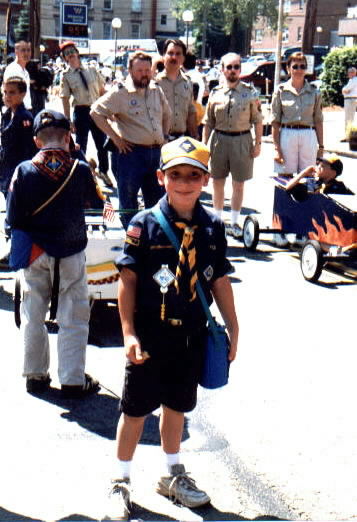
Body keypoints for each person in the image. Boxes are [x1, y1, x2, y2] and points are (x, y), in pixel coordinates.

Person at [107, 137, 238, 520]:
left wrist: (233, 327)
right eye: (176, 174)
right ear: (161, 177)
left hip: (191, 334)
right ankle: (120, 480)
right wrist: (129, 333)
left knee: (177, 407)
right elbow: (127, 280)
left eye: (193, 175)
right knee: (134, 412)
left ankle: (173, 474)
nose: (185, 182)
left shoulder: (212, 226)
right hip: (150, 335)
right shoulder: (143, 224)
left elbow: (220, 280)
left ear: (205, 179)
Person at [6, 109, 102, 398]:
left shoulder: (23, 170)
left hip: (36, 252)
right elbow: (98, 206)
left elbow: (13, 217)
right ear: (68, 137)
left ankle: (35, 375)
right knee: (74, 316)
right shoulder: (80, 169)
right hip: (71, 251)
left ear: (37, 141)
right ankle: (73, 379)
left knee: (33, 314)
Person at [90, 51, 171, 229]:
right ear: (130, 71)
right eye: (139, 70)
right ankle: (131, 238)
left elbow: (167, 114)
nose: (144, 74)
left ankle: (153, 237)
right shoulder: (121, 93)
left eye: (147, 70)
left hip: (155, 153)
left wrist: (164, 136)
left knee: (157, 199)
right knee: (128, 200)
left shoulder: (156, 89)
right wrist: (116, 139)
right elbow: (96, 112)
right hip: (131, 154)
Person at [202, 52, 263, 238]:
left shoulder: (249, 93)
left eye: (236, 67)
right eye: (229, 67)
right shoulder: (215, 93)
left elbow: (258, 120)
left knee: (238, 185)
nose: (233, 70)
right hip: (219, 140)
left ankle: (235, 223)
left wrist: (258, 143)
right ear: (222, 69)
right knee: (217, 183)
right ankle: (218, 222)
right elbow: (208, 122)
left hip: (242, 140)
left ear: (240, 69)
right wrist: (204, 147)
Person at [59, 41, 112, 187]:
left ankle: (103, 172)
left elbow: (102, 91)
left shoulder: (92, 69)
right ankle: (80, 174)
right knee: (81, 145)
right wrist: (68, 120)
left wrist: (106, 111)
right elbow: (64, 98)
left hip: (96, 110)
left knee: (102, 143)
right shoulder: (66, 76)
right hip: (81, 111)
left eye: (72, 51)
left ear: (77, 52)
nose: (70, 54)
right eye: (67, 53)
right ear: (64, 58)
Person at [271, 52, 324, 176]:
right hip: (287, 134)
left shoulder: (314, 92)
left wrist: (321, 146)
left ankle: (307, 196)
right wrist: (277, 149)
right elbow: (275, 122)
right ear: (288, 69)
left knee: (309, 176)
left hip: (308, 135)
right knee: (285, 175)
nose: (299, 70)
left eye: (302, 66)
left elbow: (318, 120)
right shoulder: (280, 91)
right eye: (295, 66)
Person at [0, 76, 36, 198]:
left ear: (23, 94)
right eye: (5, 92)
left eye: (12, 92)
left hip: (19, 170)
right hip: (6, 168)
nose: (7, 96)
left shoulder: (25, 117)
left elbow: (28, 149)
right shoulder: (6, 115)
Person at [156, 39, 197, 139]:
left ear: (183, 58)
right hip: (159, 140)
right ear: (163, 56)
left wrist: (194, 134)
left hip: (181, 139)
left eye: (178, 54)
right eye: (170, 53)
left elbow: (190, 110)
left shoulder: (188, 83)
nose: (174, 57)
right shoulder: (155, 82)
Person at [285, 153, 354, 196]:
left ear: (333, 172)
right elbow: (288, 187)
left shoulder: (339, 186)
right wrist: (304, 173)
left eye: (322, 166)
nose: (318, 168)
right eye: (318, 165)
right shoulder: (314, 183)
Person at [3, 40, 32, 111]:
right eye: (23, 50)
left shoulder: (26, 72)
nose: (26, 53)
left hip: (26, 110)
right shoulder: (12, 69)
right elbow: (7, 94)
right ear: (16, 52)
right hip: (16, 111)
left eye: (28, 50)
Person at [341, 67, 357, 142]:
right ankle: (348, 135)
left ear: (354, 73)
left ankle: (348, 136)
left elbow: (346, 90)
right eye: (348, 72)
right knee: (349, 118)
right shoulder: (352, 80)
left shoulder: (354, 80)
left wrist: (344, 90)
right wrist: (344, 90)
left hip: (350, 99)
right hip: (350, 99)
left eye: (350, 72)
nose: (348, 74)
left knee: (349, 119)